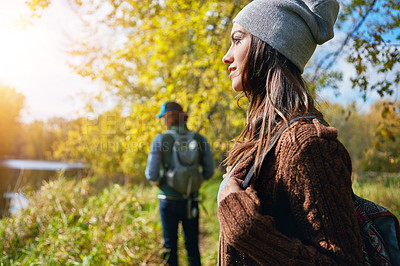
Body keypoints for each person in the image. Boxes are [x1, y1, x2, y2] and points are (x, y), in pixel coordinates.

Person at [217, 0, 364, 265]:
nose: (226, 56)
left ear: (269, 46)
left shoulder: (308, 145)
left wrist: (246, 230)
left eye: (237, 40)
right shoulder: (262, 138)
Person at [145, 101, 214, 266]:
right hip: (191, 201)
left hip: (168, 201)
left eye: (163, 117)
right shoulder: (199, 139)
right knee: (192, 246)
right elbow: (209, 171)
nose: (163, 121)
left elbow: (151, 174)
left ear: (168, 117)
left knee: (170, 247)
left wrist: (161, 183)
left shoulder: (161, 139)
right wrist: (195, 184)